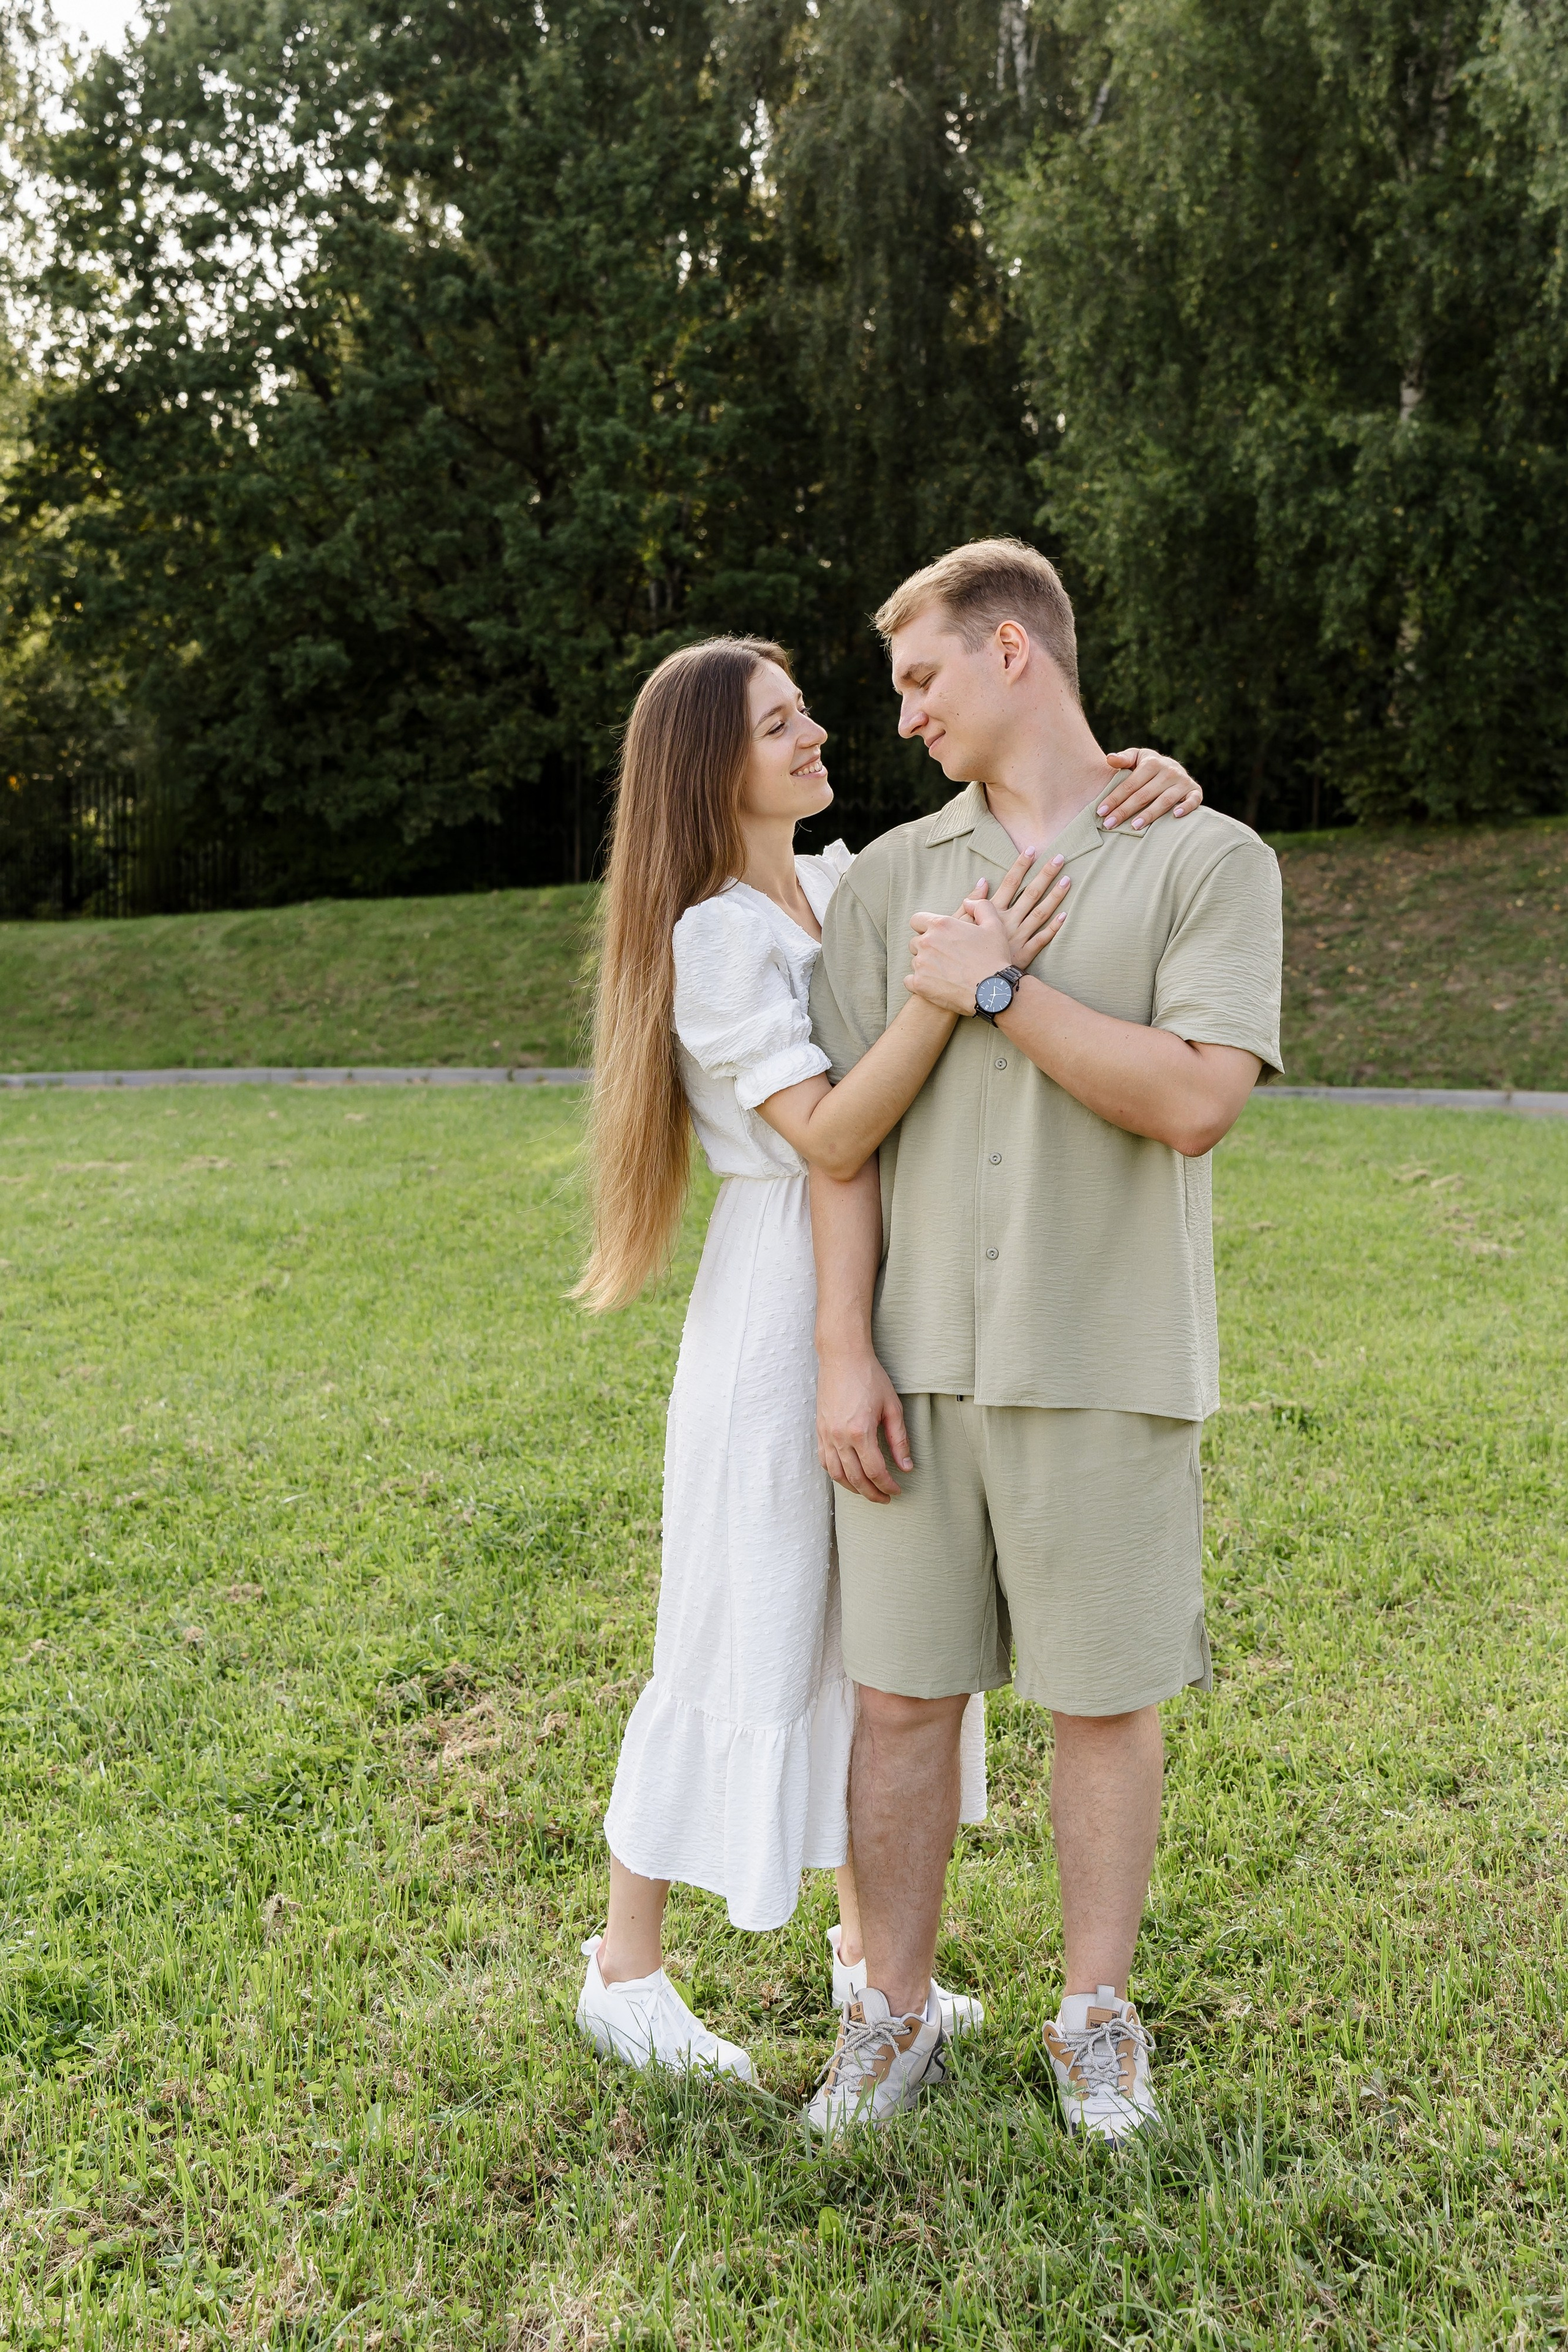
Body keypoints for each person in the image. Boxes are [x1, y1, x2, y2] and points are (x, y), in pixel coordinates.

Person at [570, 633, 1204, 2080]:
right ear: (708, 769)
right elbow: (831, 1135)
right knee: (741, 1623)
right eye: (776, 725)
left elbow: (1016, 859)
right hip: (778, 1301)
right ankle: (625, 1966)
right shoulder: (715, 937)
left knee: (879, 1643)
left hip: (890, 1280)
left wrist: (1134, 781)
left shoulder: (842, 879)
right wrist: (941, 996)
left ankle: (870, 1956)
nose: (814, 736)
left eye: (801, 713)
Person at [806, 540, 1283, 2139]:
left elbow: (1197, 1102)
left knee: (1101, 1698)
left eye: (920, 678)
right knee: (897, 1698)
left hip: (1106, 1351)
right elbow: (841, 1147)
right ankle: (888, 2015)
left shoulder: (1206, 858)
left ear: (1011, 650)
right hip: (913, 1362)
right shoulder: (886, 878)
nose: (903, 718)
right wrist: (843, 1352)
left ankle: (1095, 2018)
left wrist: (1002, 989)